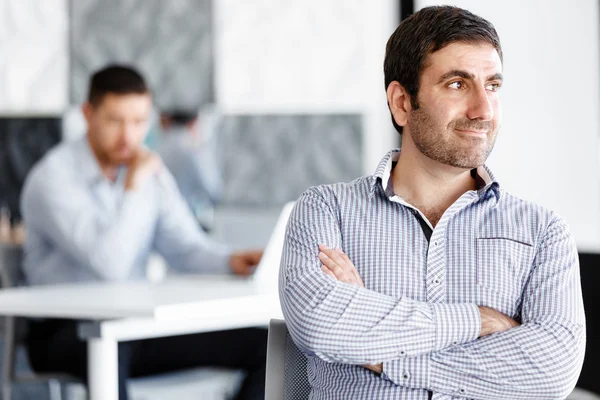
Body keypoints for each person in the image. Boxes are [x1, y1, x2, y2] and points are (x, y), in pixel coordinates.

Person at [279, 6, 585, 400]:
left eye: (492, 85)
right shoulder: (326, 210)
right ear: (402, 102)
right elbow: (322, 325)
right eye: (457, 84)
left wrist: (374, 347)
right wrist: (478, 321)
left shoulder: (543, 232)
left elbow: (550, 371)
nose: (483, 110)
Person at [21, 65, 266, 400]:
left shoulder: (147, 169)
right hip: (64, 331)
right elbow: (110, 264)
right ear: (87, 114)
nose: (128, 136)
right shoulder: (53, 178)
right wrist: (134, 186)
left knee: (265, 346)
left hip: (133, 323)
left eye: (139, 122)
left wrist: (230, 261)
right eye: (115, 121)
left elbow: (183, 247)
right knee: (109, 347)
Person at [157, 109, 223, 231]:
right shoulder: (194, 151)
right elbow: (213, 191)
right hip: (186, 222)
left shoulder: (157, 149)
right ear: (194, 122)